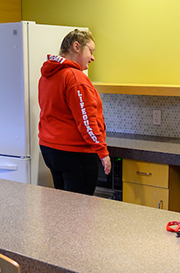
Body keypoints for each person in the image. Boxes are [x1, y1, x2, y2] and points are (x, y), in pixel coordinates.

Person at [38, 29, 111, 195]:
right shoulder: (74, 77)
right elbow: (86, 121)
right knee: (80, 211)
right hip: (74, 153)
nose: (93, 58)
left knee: (64, 208)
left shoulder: (48, 75)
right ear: (76, 47)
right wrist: (102, 152)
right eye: (91, 51)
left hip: (50, 150)